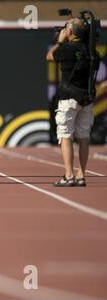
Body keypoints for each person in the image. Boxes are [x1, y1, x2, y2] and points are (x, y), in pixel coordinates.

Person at [46, 17, 99, 187]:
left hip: (68, 98)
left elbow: (49, 56)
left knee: (65, 136)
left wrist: (60, 41)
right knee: (83, 137)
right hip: (86, 99)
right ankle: (81, 175)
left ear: (70, 32)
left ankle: (68, 176)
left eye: (67, 27)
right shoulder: (92, 51)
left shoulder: (66, 49)